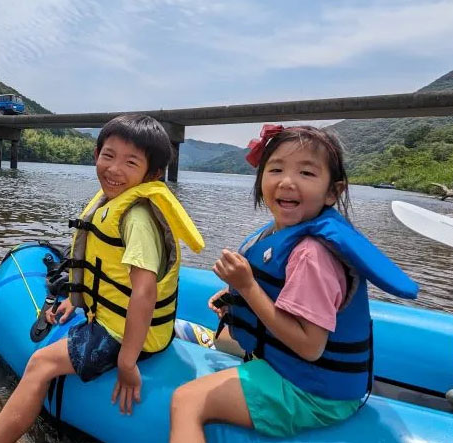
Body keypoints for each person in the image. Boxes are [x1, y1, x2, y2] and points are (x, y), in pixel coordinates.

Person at [170, 124, 419, 441]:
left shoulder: (310, 256)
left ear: (333, 191)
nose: (287, 182)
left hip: (312, 392)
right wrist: (238, 298)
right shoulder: (281, 234)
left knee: (186, 401)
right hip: (294, 371)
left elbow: (309, 347)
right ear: (261, 179)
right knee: (224, 339)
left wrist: (248, 288)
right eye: (276, 169)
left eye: (306, 173)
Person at [0, 114, 204, 443]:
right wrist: (77, 301)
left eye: (131, 162)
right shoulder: (110, 203)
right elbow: (101, 268)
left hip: (126, 336)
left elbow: (144, 293)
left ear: (152, 173)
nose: (114, 169)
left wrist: (127, 362)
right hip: (113, 317)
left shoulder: (137, 217)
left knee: (41, 363)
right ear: (96, 155)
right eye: (108, 155)